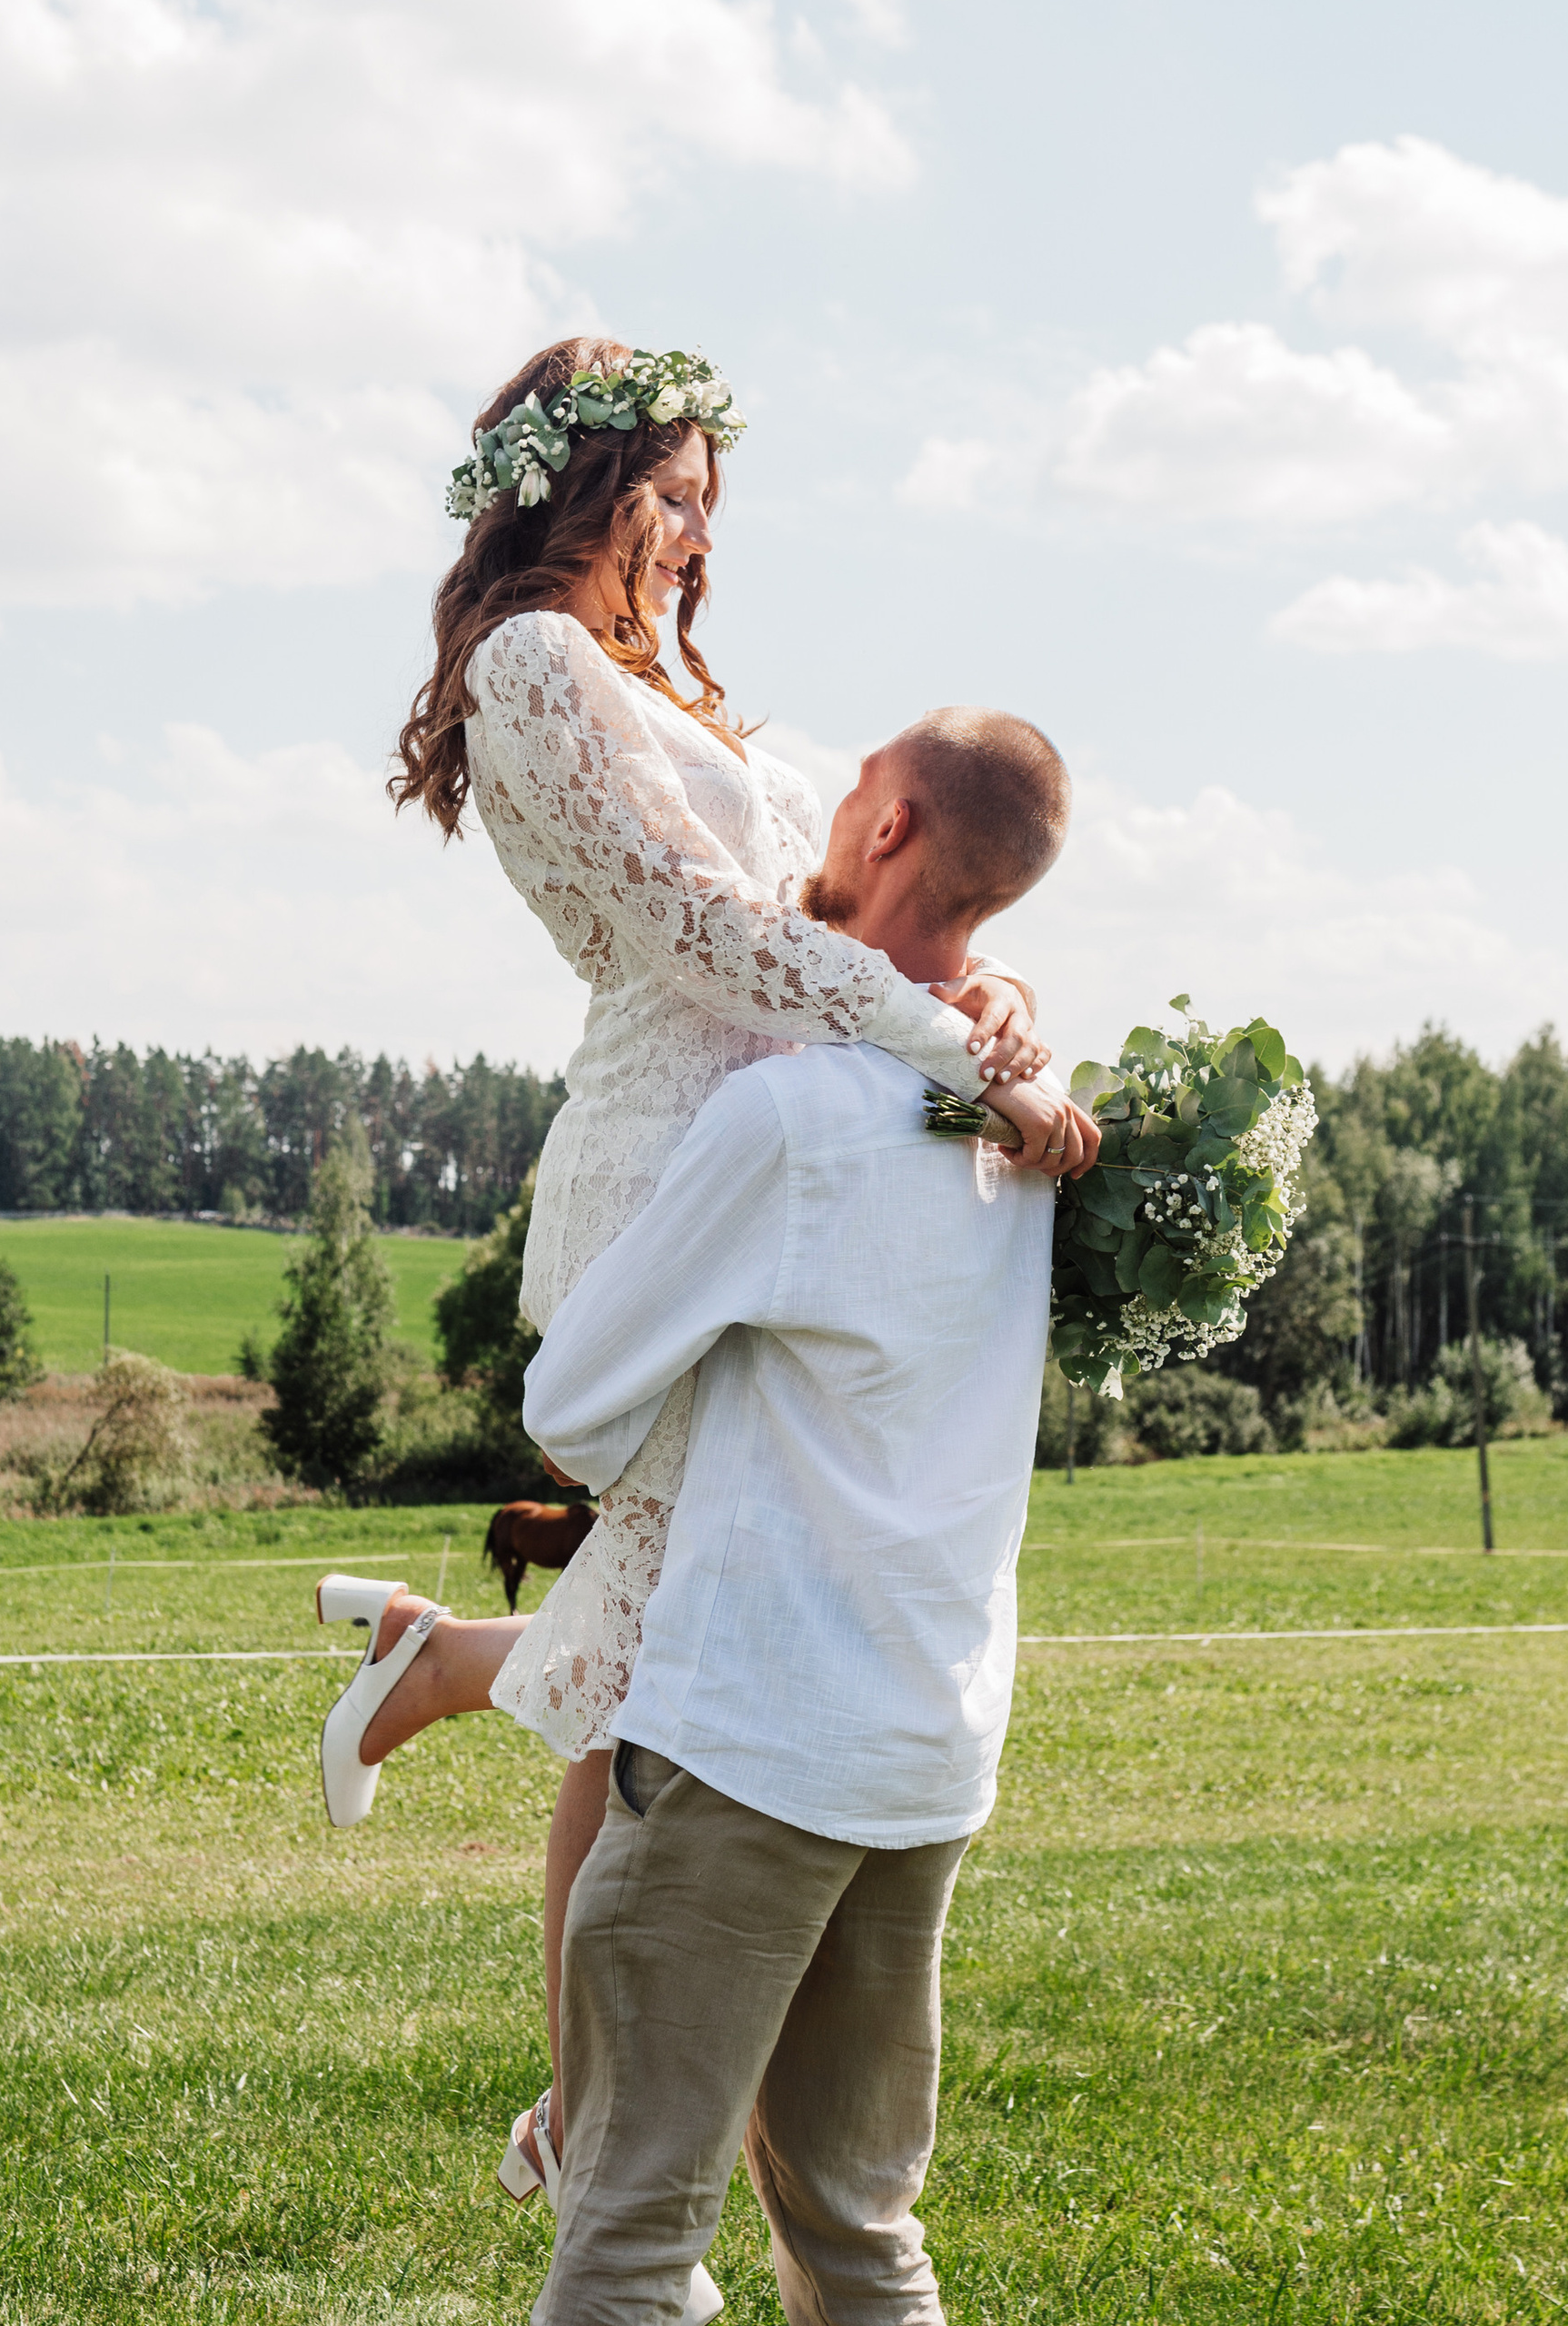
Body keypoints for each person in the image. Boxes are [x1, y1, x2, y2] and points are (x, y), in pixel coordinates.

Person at [308, 339, 1103, 2198]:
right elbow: (703, 930)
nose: (686, 538)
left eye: (704, 509)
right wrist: (937, 1039)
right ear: (571, 486)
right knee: (655, 1656)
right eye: (664, 496)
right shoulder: (531, 667)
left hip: (802, 1163)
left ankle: (443, 1679)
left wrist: (975, 1000)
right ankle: (597, 2120)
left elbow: (831, 914)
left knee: (681, 1615)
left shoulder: (682, 687)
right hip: (671, 1165)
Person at [517, 703, 1073, 2323]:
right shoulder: (1030, 1132)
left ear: (890, 828)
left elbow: (570, 1407)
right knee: (857, 2233)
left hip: (752, 1746)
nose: (818, 814)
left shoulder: (795, 1122)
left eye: (847, 791)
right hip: (928, 1747)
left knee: (626, 2233)